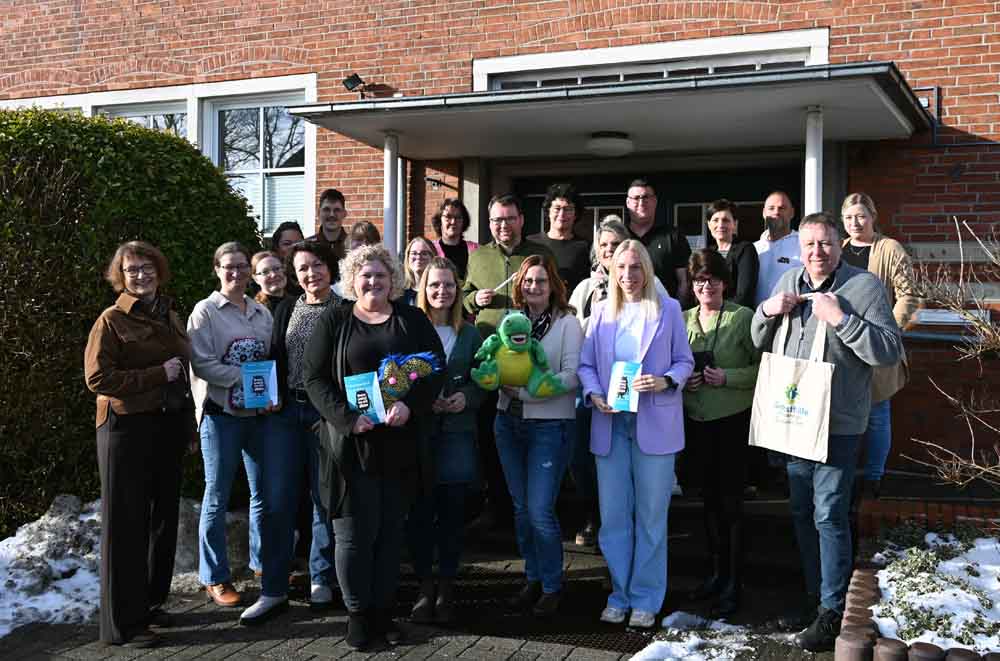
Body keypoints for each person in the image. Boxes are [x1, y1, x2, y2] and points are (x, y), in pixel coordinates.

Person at [752, 212, 902, 652]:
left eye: (826, 244)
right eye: (810, 245)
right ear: (799, 250)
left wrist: (842, 319)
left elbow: (889, 350)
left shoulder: (864, 286)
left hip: (838, 422)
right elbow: (758, 339)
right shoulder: (788, 283)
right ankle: (815, 598)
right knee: (801, 512)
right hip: (794, 421)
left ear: (840, 246)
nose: (818, 252)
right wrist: (766, 310)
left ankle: (833, 610)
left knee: (829, 513)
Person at [303, 244, 445, 650]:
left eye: (381, 275)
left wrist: (411, 406)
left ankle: (383, 614)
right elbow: (313, 379)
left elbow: (435, 369)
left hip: (399, 443)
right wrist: (348, 420)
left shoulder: (412, 319)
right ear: (352, 279)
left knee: (388, 533)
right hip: (351, 446)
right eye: (365, 275)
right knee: (352, 535)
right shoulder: (335, 319)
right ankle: (358, 617)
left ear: (393, 280)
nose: (373, 282)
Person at [84, 241, 196, 649]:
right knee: (126, 524)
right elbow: (98, 380)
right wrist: (154, 375)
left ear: (159, 270)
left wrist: (188, 427)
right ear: (120, 276)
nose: (141, 275)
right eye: (131, 270)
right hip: (124, 429)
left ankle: (148, 604)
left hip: (164, 425)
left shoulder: (168, 314)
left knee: (161, 519)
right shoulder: (111, 320)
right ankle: (122, 625)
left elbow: (183, 372)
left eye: (147, 268)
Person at [579, 240, 694, 629]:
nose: (628, 276)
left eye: (636, 267)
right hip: (610, 424)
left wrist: (665, 381)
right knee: (613, 518)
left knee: (650, 517)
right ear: (613, 271)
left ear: (647, 270)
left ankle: (646, 597)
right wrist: (593, 393)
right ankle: (619, 594)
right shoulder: (599, 313)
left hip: (655, 426)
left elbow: (685, 361)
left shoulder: (669, 310)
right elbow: (584, 365)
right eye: (622, 268)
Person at [239, 241, 341, 625]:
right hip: (284, 413)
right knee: (278, 500)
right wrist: (263, 395)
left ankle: (321, 578)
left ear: (330, 268)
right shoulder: (283, 309)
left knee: (322, 498)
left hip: (324, 415)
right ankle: (273, 589)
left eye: (317, 265)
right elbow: (269, 360)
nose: (310, 273)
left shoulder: (344, 311)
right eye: (302, 268)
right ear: (293, 275)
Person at [567, 216, 668, 546]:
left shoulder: (657, 293)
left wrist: (663, 379)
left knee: (645, 494)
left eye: (616, 245)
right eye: (605, 246)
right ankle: (594, 521)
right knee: (588, 463)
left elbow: (669, 344)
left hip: (644, 404)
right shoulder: (585, 290)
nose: (610, 251)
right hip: (598, 394)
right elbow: (574, 337)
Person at [493, 254, 582, 617]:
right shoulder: (508, 321)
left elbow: (571, 375)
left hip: (550, 425)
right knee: (520, 509)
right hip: (507, 424)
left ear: (553, 285)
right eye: (528, 281)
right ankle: (531, 577)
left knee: (540, 510)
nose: (534, 287)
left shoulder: (567, 324)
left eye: (541, 281)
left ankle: (551, 585)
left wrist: (528, 391)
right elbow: (493, 362)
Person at [187, 242, 273, 609]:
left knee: (262, 494)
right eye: (228, 267)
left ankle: (260, 563)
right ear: (216, 270)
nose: (236, 273)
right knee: (217, 497)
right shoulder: (205, 312)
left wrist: (266, 388)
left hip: (256, 416)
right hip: (221, 416)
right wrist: (245, 377)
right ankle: (215, 577)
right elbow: (202, 364)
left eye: (242, 266)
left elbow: (269, 361)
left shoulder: (260, 312)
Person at [462, 193, 553, 531]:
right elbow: (462, 297)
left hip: (530, 360)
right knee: (491, 438)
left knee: (532, 436)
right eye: (497, 220)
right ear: (490, 223)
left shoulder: (539, 254)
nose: (503, 225)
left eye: (509, 218)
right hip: (491, 362)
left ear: (521, 220)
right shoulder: (479, 256)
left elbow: (554, 293)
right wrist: (474, 298)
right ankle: (499, 506)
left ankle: (535, 510)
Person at [406, 257, 484, 625]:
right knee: (420, 511)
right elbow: (395, 377)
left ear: (458, 289)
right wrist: (422, 401)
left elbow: (486, 379)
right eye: (435, 285)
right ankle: (424, 586)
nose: (442, 291)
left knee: (452, 514)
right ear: (423, 288)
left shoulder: (471, 333)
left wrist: (466, 397)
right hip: (418, 433)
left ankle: (448, 588)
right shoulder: (408, 329)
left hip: (457, 433)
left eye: (449, 285)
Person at [682, 250, 759, 618]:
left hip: (731, 424)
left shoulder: (742, 318)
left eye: (712, 279)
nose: (705, 286)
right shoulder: (683, 320)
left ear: (725, 282)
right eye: (699, 280)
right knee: (708, 506)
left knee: (730, 507)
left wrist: (728, 377)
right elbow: (671, 366)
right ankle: (715, 574)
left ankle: (734, 582)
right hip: (695, 425)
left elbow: (765, 368)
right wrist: (686, 381)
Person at [840, 193, 920, 496]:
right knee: (844, 412)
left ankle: (874, 477)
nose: (855, 222)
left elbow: (910, 294)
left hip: (876, 343)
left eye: (861, 216)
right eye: (848, 218)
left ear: (873, 216)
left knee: (876, 414)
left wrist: (889, 330)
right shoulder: (840, 249)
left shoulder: (889, 249)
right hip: (842, 342)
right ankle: (845, 474)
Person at [623, 178, 692, 304]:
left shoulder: (673, 236)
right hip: (624, 314)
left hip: (663, 314)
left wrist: (675, 311)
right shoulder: (619, 237)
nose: (641, 202)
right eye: (636, 198)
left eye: (646, 197)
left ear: (655, 201)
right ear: (628, 202)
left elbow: (684, 282)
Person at [528, 183, 591, 293]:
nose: (562, 214)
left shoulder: (585, 247)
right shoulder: (531, 243)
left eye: (568, 209)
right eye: (557, 208)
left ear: (575, 214)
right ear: (548, 211)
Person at [705, 199, 758, 308]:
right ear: (709, 225)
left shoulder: (745, 249)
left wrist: (720, 311)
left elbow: (744, 294)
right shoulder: (708, 253)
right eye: (715, 220)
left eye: (725, 220)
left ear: (734, 224)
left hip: (736, 315)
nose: (720, 225)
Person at [753, 191, 801, 306]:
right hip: (758, 318)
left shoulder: (803, 244)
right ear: (764, 213)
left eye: (782, 208)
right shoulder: (754, 248)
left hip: (791, 318)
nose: (776, 212)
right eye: (771, 208)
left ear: (792, 213)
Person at [430, 198, 479, 280]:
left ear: (464, 221)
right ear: (439, 220)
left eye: (458, 217)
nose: (453, 221)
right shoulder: (430, 249)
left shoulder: (476, 250)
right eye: (448, 217)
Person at [308, 188, 348, 260]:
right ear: (318, 213)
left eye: (337, 210)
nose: (332, 215)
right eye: (326, 209)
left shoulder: (353, 246)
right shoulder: (308, 246)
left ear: (344, 213)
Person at [402, 236, 436, 305]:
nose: (418, 257)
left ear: (433, 257)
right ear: (408, 257)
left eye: (424, 253)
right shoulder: (400, 295)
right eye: (414, 253)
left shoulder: (439, 292)